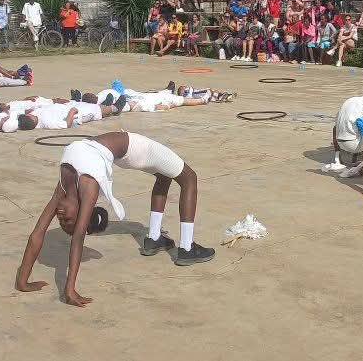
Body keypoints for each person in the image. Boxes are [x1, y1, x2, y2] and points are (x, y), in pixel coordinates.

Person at [14, 132, 215, 307]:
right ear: (84, 208)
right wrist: (70, 289)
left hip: (122, 152)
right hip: (134, 148)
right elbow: (77, 238)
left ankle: (154, 238)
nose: (60, 217)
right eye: (68, 221)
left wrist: (23, 281)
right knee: (190, 178)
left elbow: (37, 233)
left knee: (164, 176)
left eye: (62, 222)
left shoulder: (63, 191)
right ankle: (187, 249)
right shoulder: (88, 186)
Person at [323, 83, 363, 174]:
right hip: (353, 145)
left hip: (340, 142)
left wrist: (337, 154)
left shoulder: (350, 100)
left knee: (354, 124)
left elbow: (335, 127)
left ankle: (338, 156)